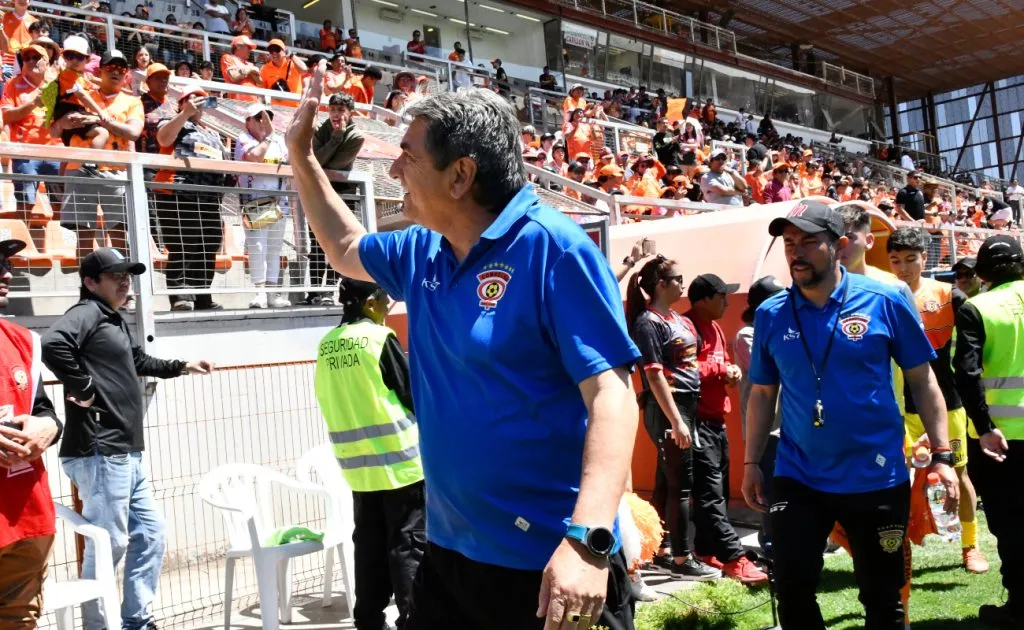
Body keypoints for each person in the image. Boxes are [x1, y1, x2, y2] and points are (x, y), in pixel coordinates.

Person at [286, 62, 639, 630]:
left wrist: (589, 541)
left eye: (408, 155)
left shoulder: (554, 249)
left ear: (460, 175)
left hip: (547, 569)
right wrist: (302, 158)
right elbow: (347, 247)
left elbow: (613, 396)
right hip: (449, 557)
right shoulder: (425, 248)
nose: (394, 167)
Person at [742, 201, 959, 630]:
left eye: (808, 241)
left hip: (875, 474)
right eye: (788, 243)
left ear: (839, 246)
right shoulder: (771, 314)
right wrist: (750, 462)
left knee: (882, 594)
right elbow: (763, 393)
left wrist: (942, 454)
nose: (796, 252)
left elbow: (923, 379)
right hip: (799, 472)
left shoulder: (887, 299)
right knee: (792, 585)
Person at [42, 248, 214, 630]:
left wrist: (182, 366)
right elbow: (52, 344)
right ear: (90, 282)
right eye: (115, 275)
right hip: (101, 449)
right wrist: (82, 385)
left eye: (128, 274)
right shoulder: (86, 313)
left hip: (123, 452)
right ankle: (97, 625)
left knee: (150, 534)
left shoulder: (111, 319)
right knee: (109, 543)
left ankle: (137, 619)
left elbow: (138, 361)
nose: (125, 281)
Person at [314, 278, 425, 630]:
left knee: (369, 544)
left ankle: (368, 619)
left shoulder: (327, 345)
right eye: (384, 299)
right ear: (368, 303)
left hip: (358, 468)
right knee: (407, 543)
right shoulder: (377, 339)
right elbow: (412, 393)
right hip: (401, 462)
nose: (388, 305)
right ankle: (413, 619)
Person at [886, 227, 988, 574]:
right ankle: (897, 549)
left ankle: (970, 546)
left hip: (947, 404)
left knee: (958, 475)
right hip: (898, 408)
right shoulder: (882, 295)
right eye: (896, 260)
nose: (903, 268)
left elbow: (976, 344)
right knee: (897, 481)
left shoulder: (948, 295)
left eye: (911, 259)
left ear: (925, 259)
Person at [625, 256, 721, 582]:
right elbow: (654, 377)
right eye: (678, 279)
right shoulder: (647, 322)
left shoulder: (677, 319)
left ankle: (661, 549)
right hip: (669, 408)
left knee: (667, 480)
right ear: (661, 285)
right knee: (682, 485)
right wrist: (677, 422)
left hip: (686, 406)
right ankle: (683, 558)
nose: (683, 283)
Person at [952, 235, 1024, 627]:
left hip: (1001, 441)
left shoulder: (977, 308)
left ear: (980, 273)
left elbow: (967, 373)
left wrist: (983, 427)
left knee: (1012, 525)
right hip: (1004, 437)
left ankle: (1019, 607)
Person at [682, 274, 768, 584]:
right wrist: (722, 369)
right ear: (703, 299)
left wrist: (730, 374)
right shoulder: (687, 327)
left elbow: (719, 365)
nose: (727, 303)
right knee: (709, 495)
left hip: (717, 420)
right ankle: (734, 558)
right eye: (721, 297)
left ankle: (706, 550)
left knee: (716, 493)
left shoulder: (716, 328)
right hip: (695, 422)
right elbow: (682, 370)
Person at [0, 238, 63, 630]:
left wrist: (49, 428)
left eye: (6, 263)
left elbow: (44, 412)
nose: (6, 273)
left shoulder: (22, 340)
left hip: (25, 521)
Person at [50, 50, 142, 270]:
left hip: (116, 172)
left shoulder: (132, 101)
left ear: (127, 75)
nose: (116, 72)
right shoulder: (82, 91)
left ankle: (124, 288)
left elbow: (133, 132)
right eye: (111, 68)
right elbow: (54, 132)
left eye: (121, 69)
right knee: (84, 235)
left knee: (119, 233)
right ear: (101, 70)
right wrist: (64, 122)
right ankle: (87, 289)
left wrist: (95, 119)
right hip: (79, 169)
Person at [152, 84, 228, 311]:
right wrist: (185, 113)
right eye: (193, 98)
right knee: (184, 244)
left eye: (202, 99)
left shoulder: (211, 131)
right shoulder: (172, 120)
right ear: (183, 102)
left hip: (209, 197)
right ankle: (180, 296)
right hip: (178, 193)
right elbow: (164, 140)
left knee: (208, 245)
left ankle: (203, 294)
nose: (198, 102)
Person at [306, 92, 365, 306]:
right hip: (319, 194)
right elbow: (316, 161)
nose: (336, 114)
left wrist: (336, 138)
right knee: (316, 244)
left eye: (341, 110)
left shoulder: (356, 136)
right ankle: (313, 292)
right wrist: (332, 138)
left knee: (338, 245)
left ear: (350, 113)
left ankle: (332, 290)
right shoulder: (321, 130)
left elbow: (337, 164)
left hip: (343, 197)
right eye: (332, 109)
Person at [237, 102, 291, 309]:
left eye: (266, 116)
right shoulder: (244, 139)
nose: (263, 121)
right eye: (258, 117)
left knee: (274, 249)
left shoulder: (277, 142)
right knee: (257, 248)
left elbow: (290, 161)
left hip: (278, 203)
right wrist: (269, 137)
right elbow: (254, 157)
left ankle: (271, 293)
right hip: (254, 204)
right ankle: (259, 292)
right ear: (247, 122)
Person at [1, 43, 60, 219]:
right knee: (25, 204)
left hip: (57, 151)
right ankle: (22, 245)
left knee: (61, 204)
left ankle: (58, 244)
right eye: (27, 58)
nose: (31, 61)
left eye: (36, 57)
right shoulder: (12, 84)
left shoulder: (57, 85)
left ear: (47, 61)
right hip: (25, 152)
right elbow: (7, 116)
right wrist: (34, 102)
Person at [260, 38, 306, 106]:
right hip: (275, 109)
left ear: (284, 51)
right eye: (271, 51)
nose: (274, 53)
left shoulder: (293, 64)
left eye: (277, 49)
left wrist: (292, 56)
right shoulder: (265, 68)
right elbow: (261, 89)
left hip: (294, 108)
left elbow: (304, 69)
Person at [220, 35, 260, 102]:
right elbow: (234, 76)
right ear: (238, 46)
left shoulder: (250, 64)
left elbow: (260, 81)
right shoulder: (228, 58)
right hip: (237, 103)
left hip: (254, 102)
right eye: (248, 47)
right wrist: (250, 70)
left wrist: (245, 71)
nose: (250, 50)